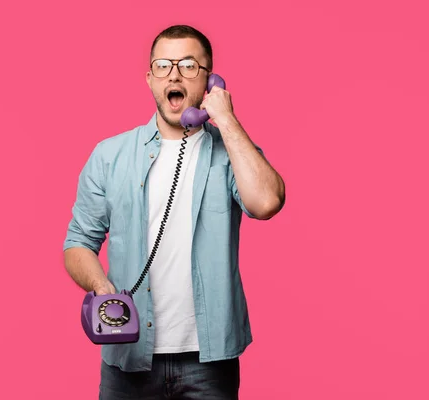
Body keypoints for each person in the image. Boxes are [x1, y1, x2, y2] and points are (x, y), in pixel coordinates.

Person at [63, 24, 286, 399]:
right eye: (164, 66)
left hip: (209, 361)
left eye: (188, 65)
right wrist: (102, 288)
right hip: (129, 357)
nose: (175, 75)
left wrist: (226, 120)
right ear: (150, 78)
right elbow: (77, 244)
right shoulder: (109, 155)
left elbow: (266, 203)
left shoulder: (231, 153)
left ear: (210, 79)